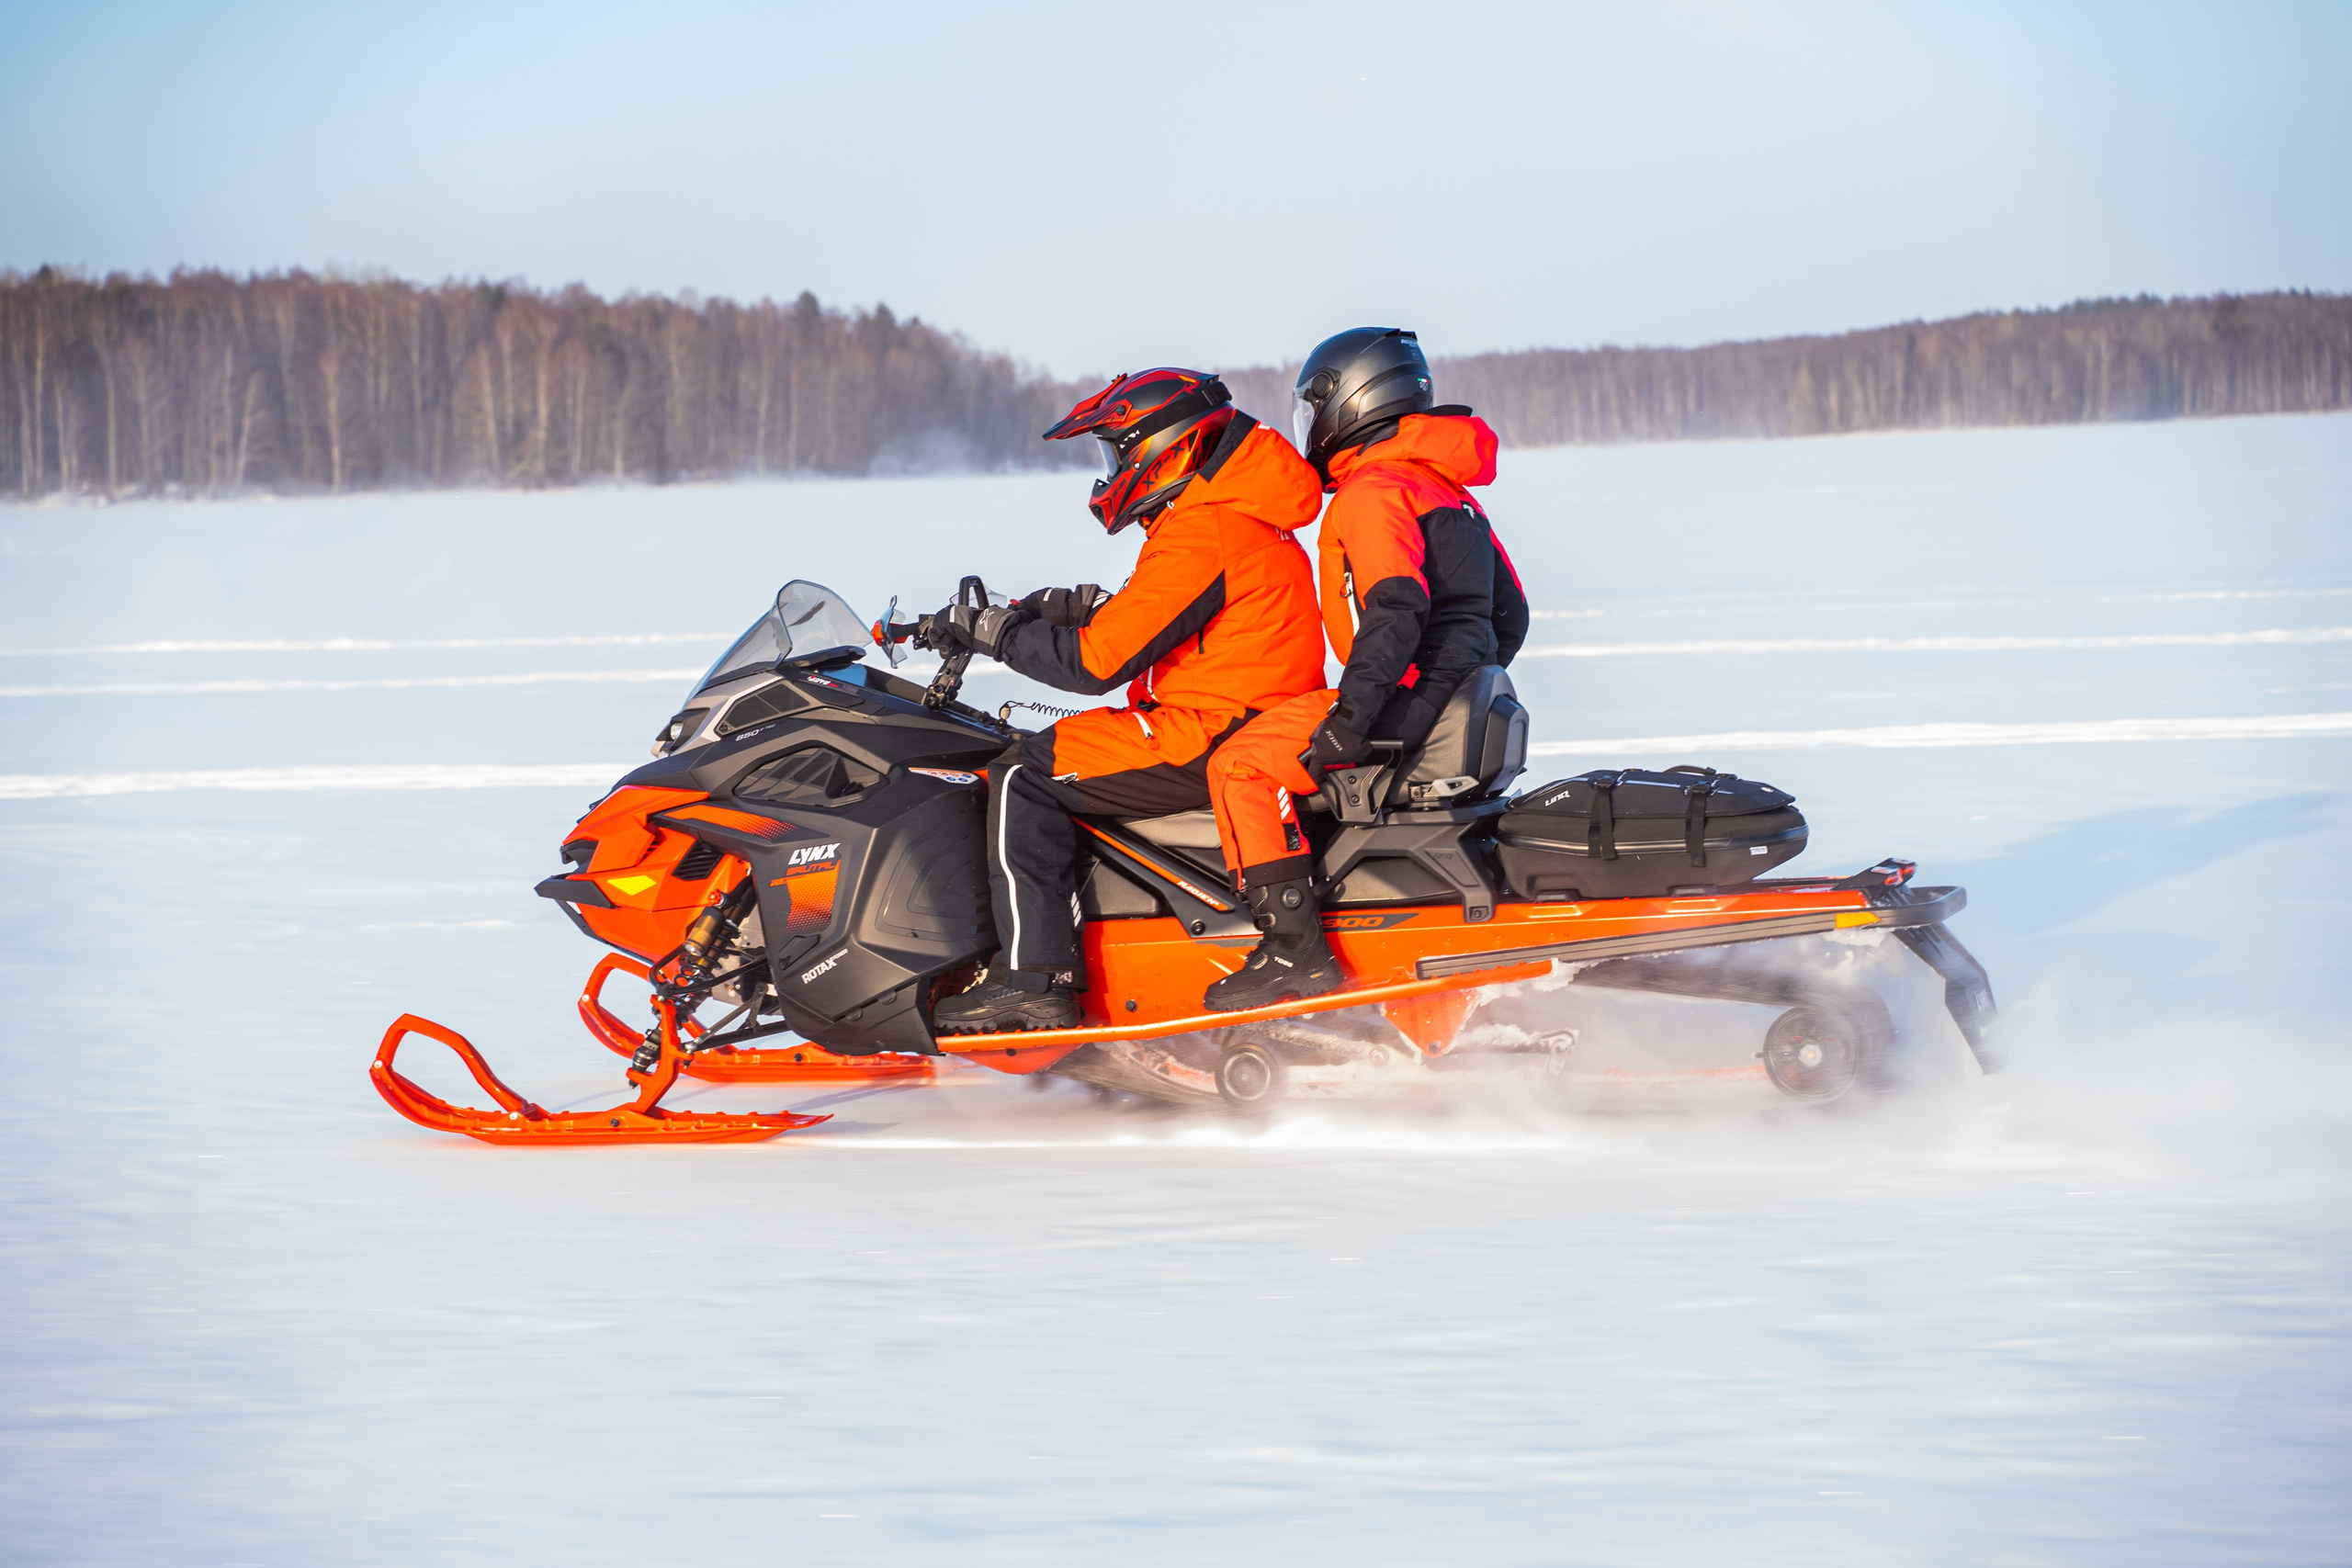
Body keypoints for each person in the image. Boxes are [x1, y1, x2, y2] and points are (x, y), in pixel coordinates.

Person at [927, 367, 1327, 1033]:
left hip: (1212, 730)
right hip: (1243, 711)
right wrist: (1055, 608)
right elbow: (1157, 619)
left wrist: (998, 633)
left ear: (1164, 449)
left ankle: (1031, 980)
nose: (1110, 472)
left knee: (1024, 774)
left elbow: (1094, 662)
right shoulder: (1230, 513)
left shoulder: (1205, 530)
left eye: (1117, 453)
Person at [1199, 327, 1529, 1012]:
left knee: (1240, 765)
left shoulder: (1373, 488)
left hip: (1410, 697)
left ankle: (1293, 949)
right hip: (1446, 696)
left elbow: (1395, 609)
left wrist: (1356, 718)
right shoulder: (1450, 491)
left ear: (1347, 401)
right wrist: (1461, 682)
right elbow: (1512, 615)